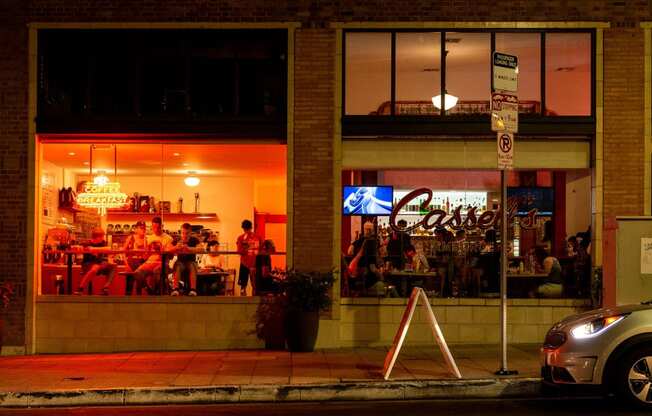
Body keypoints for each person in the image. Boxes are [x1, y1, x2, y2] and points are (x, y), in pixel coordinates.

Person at [133, 216, 174, 295]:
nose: (156, 229)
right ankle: (149, 290)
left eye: (158, 227)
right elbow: (145, 256)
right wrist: (146, 250)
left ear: (162, 226)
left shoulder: (168, 238)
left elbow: (171, 256)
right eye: (154, 227)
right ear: (152, 226)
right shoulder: (148, 238)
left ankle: (156, 292)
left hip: (162, 262)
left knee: (157, 271)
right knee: (137, 273)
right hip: (149, 262)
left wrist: (161, 249)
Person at [74, 227, 116, 295]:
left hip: (99, 263)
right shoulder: (87, 243)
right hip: (87, 265)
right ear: (98, 238)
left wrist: (94, 249)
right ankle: (80, 288)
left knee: (113, 265)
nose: (103, 238)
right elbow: (79, 248)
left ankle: (105, 288)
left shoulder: (102, 243)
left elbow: (108, 249)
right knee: (95, 268)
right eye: (102, 237)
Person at [171, 223, 201, 296]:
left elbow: (201, 249)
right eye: (183, 233)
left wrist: (189, 249)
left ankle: (193, 290)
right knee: (177, 265)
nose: (185, 235)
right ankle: (176, 289)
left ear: (190, 233)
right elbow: (168, 249)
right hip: (180, 262)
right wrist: (176, 247)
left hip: (191, 262)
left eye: (187, 233)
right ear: (180, 232)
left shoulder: (194, 240)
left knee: (192, 265)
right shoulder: (177, 240)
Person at [236, 219, 262, 296]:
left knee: (245, 285)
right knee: (253, 285)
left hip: (247, 262)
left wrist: (245, 248)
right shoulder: (257, 237)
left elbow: (239, 251)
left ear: (243, 228)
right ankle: (254, 299)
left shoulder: (241, 238)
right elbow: (261, 249)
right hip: (253, 262)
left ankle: (245, 299)